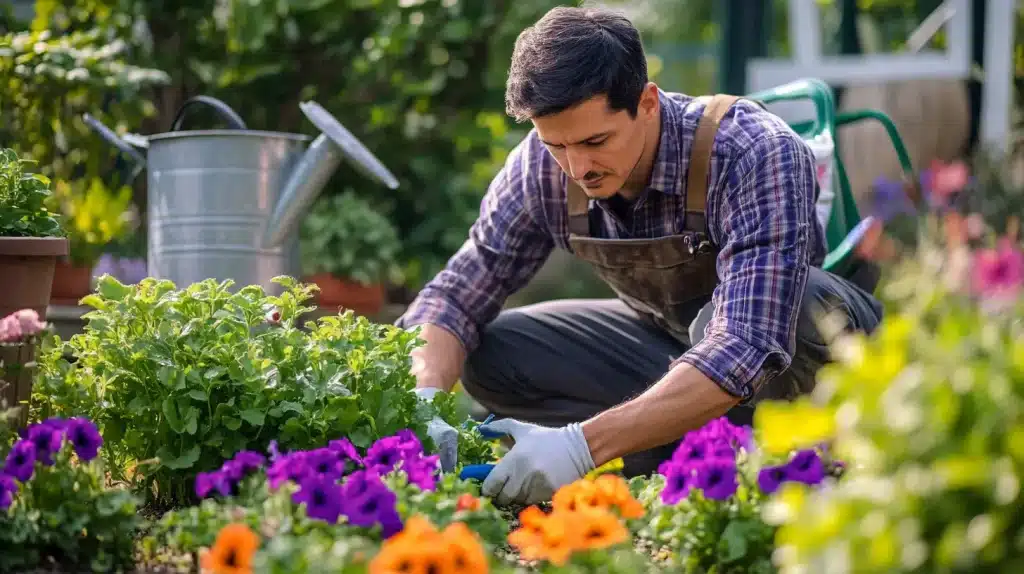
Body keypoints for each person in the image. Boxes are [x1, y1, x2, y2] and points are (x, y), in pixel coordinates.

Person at [398, 6, 882, 506]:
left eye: (595, 141)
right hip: (673, 348)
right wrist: (426, 397)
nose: (578, 167)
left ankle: (814, 460)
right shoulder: (541, 168)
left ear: (647, 102)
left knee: (799, 307)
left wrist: (580, 447)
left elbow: (747, 342)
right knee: (494, 354)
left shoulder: (752, 151)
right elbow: (457, 294)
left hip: (800, 365)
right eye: (557, 145)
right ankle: (672, 464)